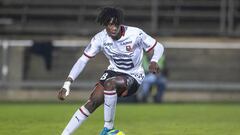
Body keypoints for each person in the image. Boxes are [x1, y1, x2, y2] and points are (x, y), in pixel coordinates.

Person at [57, 7, 164, 135]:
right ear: (105, 24)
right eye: (110, 24)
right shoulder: (100, 39)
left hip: (134, 75)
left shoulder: (136, 34)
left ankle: (107, 129)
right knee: (93, 101)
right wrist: (67, 83)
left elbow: (159, 46)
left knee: (110, 83)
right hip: (113, 71)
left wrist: (154, 60)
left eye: (116, 24)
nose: (113, 28)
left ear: (120, 24)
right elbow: (82, 60)